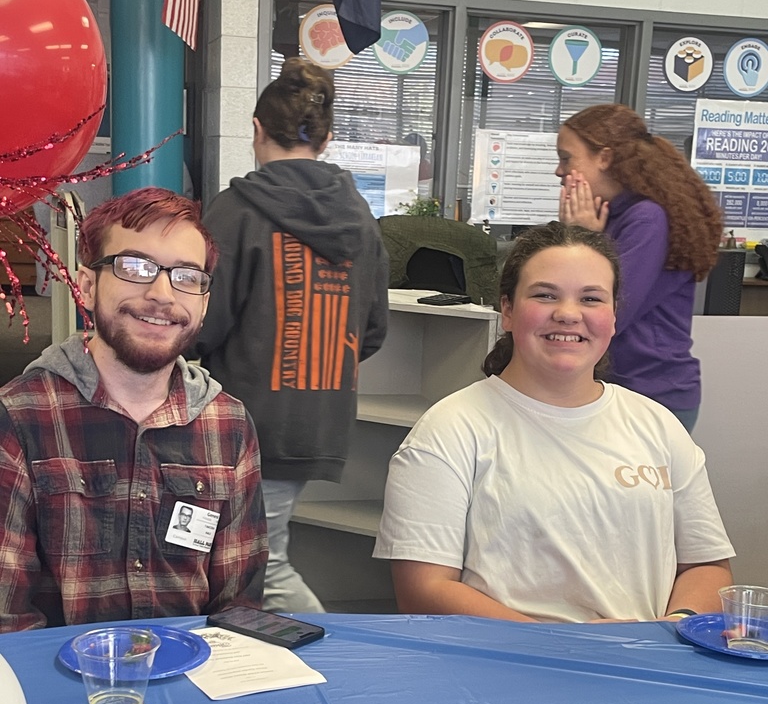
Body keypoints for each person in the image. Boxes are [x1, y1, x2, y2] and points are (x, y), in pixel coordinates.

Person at [373, 222, 734, 624]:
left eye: (591, 298)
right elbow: (423, 590)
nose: (567, 314)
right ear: (507, 310)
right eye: (545, 295)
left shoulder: (657, 425)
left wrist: (668, 630)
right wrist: (567, 645)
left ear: (613, 316)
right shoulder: (450, 430)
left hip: (639, 668)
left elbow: (707, 566)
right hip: (507, 669)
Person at [0, 187, 268, 632]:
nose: (162, 294)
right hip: (61, 686)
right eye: (135, 267)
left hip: (191, 683)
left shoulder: (229, 424)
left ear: (202, 304)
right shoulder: (21, 416)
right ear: (87, 286)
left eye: (186, 276)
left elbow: (238, 607)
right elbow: (7, 619)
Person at [196, 57, 389, 613]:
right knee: (251, 553)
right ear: (326, 140)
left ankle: (332, 660)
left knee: (263, 563)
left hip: (245, 421)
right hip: (321, 421)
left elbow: (204, 321)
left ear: (256, 129)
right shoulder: (361, 218)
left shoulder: (235, 212)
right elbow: (373, 330)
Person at [556, 104, 722, 432]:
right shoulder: (612, 217)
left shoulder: (647, 219)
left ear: (604, 158)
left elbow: (607, 312)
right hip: (622, 388)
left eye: (566, 159)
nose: (559, 172)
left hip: (650, 394)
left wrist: (582, 239)